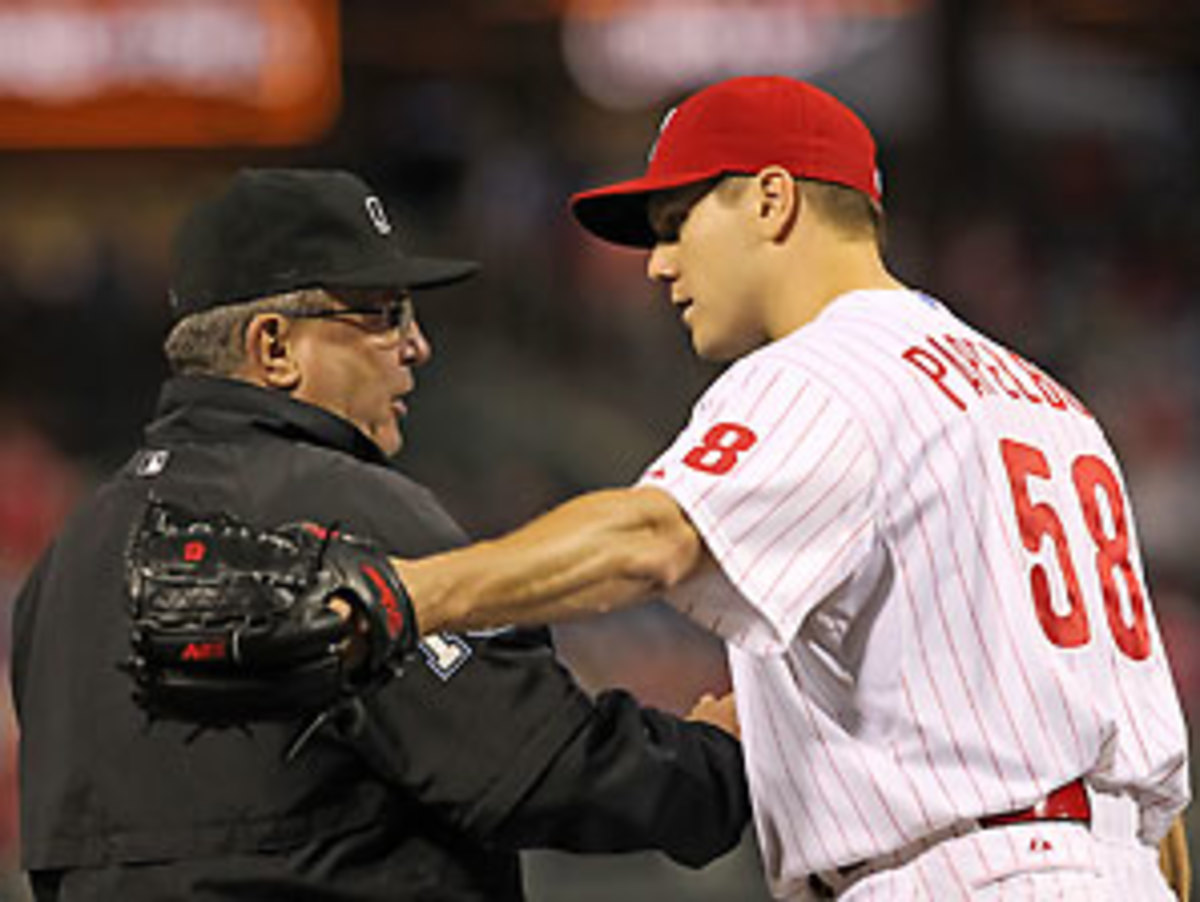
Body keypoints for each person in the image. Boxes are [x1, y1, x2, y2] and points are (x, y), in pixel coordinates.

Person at [371, 77, 1191, 899]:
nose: (659, 263)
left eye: (677, 223)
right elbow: (1162, 811)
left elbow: (648, 541)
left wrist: (401, 595)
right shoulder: (1048, 404)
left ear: (771, 199)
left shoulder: (822, 370)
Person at [9, 167, 751, 901]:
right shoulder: (341, 507)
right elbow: (536, 764)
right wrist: (715, 763)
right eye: (384, 315)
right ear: (274, 347)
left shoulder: (70, 556)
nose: (417, 345)